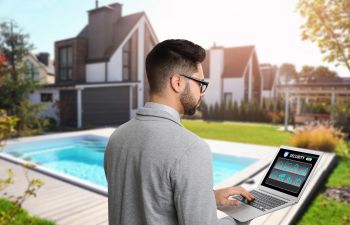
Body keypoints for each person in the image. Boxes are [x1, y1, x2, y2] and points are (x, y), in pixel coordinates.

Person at [104, 39, 255, 225]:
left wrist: (207, 199)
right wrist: (241, 219)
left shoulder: (118, 138)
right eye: (200, 83)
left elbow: (146, 201)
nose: (202, 92)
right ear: (177, 82)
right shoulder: (191, 149)